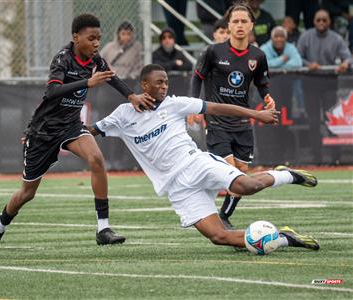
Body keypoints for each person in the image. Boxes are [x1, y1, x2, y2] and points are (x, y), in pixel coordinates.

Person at [88, 64, 319, 252]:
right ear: (144, 85)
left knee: (247, 185)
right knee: (220, 237)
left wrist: (257, 114)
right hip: (177, 188)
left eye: (166, 81)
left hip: (196, 163)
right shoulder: (122, 114)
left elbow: (218, 108)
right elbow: (91, 131)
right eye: (159, 82)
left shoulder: (176, 104)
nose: (164, 86)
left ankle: (287, 174)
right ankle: (285, 238)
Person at [0, 14, 156, 256]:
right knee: (27, 193)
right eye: (91, 38)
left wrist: (131, 96)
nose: (96, 43)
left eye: (99, 38)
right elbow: (53, 90)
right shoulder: (62, 59)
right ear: (76, 37)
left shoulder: (95, 59)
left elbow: (111, 77)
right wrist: (87, 83)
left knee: (97, 159)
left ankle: (103, 229)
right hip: (43, 131)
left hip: (71, 126)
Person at [190, 3, 276, 229]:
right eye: (235, 21)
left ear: (252, 26)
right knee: (230, 173)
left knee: (242, 174)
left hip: (243, 125)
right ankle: (206, 205)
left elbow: (262, 83)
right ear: (228, 25)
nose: (239, 25)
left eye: (244, 21)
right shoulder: (213, 52)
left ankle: (224, 216)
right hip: (217, 122)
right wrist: (193, 106)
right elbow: (197, 77)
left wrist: (267, 97)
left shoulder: (258, 56)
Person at [297, 9, 351, 73]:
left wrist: (345, 64)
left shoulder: (337, 38)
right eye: (318, 20)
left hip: (330, 77)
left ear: (329, 21)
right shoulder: (305, 36)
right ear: (314, 21)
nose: (321, 22)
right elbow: (298, 57)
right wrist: (308, 64)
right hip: (309, 76)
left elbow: (348, 57)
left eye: (324, 20)